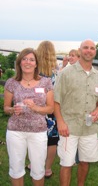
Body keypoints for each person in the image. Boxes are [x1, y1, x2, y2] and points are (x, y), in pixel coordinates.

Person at [54, 39, 98, 186]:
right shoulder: (65, 73)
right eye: (85, 48)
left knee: (85, 161)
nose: (89, 50)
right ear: (80, 50)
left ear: (95, 51)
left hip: (89, 127)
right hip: (68, 127)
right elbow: (56, 100)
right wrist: (60, 122)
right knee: (67, 163)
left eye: (92, 48)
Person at [3, 48, 54, 186]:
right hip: (15, 131)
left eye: (31, 60)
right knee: (16, 169)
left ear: (36, 64)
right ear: (19, 62)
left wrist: (35, 107)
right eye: (24, 59)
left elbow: (51, 108)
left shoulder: (46, 82)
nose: (28, 62)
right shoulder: (11, 82)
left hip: (38, 132)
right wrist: (13, 109)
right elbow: (6, 107)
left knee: (38, 170)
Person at [37, 40, 59, 178]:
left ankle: (34, 165)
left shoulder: (35, 68)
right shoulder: (56, 69)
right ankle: (48, 169)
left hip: (37, 108)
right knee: (52, 140)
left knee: (36, 138)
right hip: (53, 108)